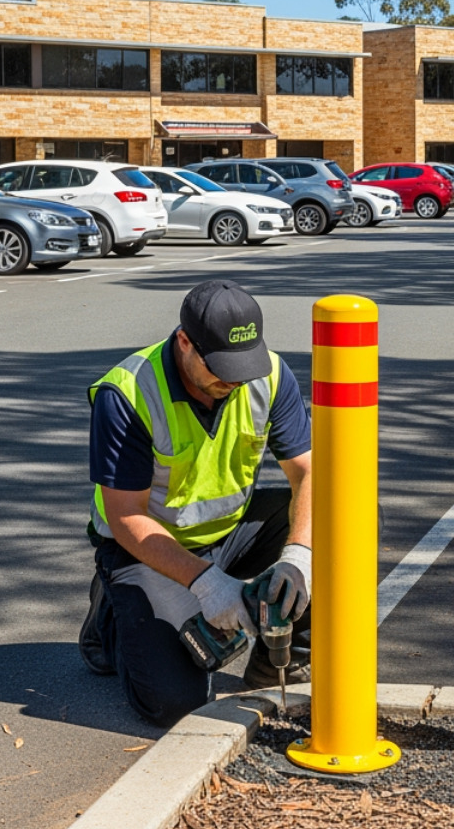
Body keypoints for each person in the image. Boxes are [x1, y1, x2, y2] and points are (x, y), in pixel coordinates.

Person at [79, 279, 313, 725]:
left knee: (349, 518)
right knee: (175, 705)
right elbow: (125, 517)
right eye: (221, 367)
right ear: (184, 342)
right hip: (147, 548)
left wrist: (298, 555)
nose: (235, 379)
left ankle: (280, 659)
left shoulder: (270, 375)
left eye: (244, 365)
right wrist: (208, 585)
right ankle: (111, 616)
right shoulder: (128, 392)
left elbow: (308, 472)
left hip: (230, 531)